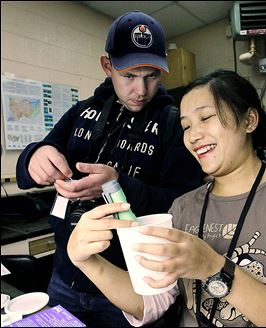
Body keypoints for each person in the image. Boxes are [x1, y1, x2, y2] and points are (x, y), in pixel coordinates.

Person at [15, 10, 206, 327]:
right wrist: (35, 155)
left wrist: (119, 184)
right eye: (129, 76)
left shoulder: (173, 123)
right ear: (108, 66)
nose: (141, 90)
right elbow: (33, 162)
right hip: (66, 276)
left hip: (130, 286)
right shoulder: (82, 111)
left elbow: (184, 202)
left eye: (152, 75)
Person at [67, 69, 266, 327]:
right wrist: (88, 262)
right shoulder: (183, 207)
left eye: (206, 117)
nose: (193, 135)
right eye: (186, 126)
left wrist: (212, 267)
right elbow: (152, 299)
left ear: (249, 120)